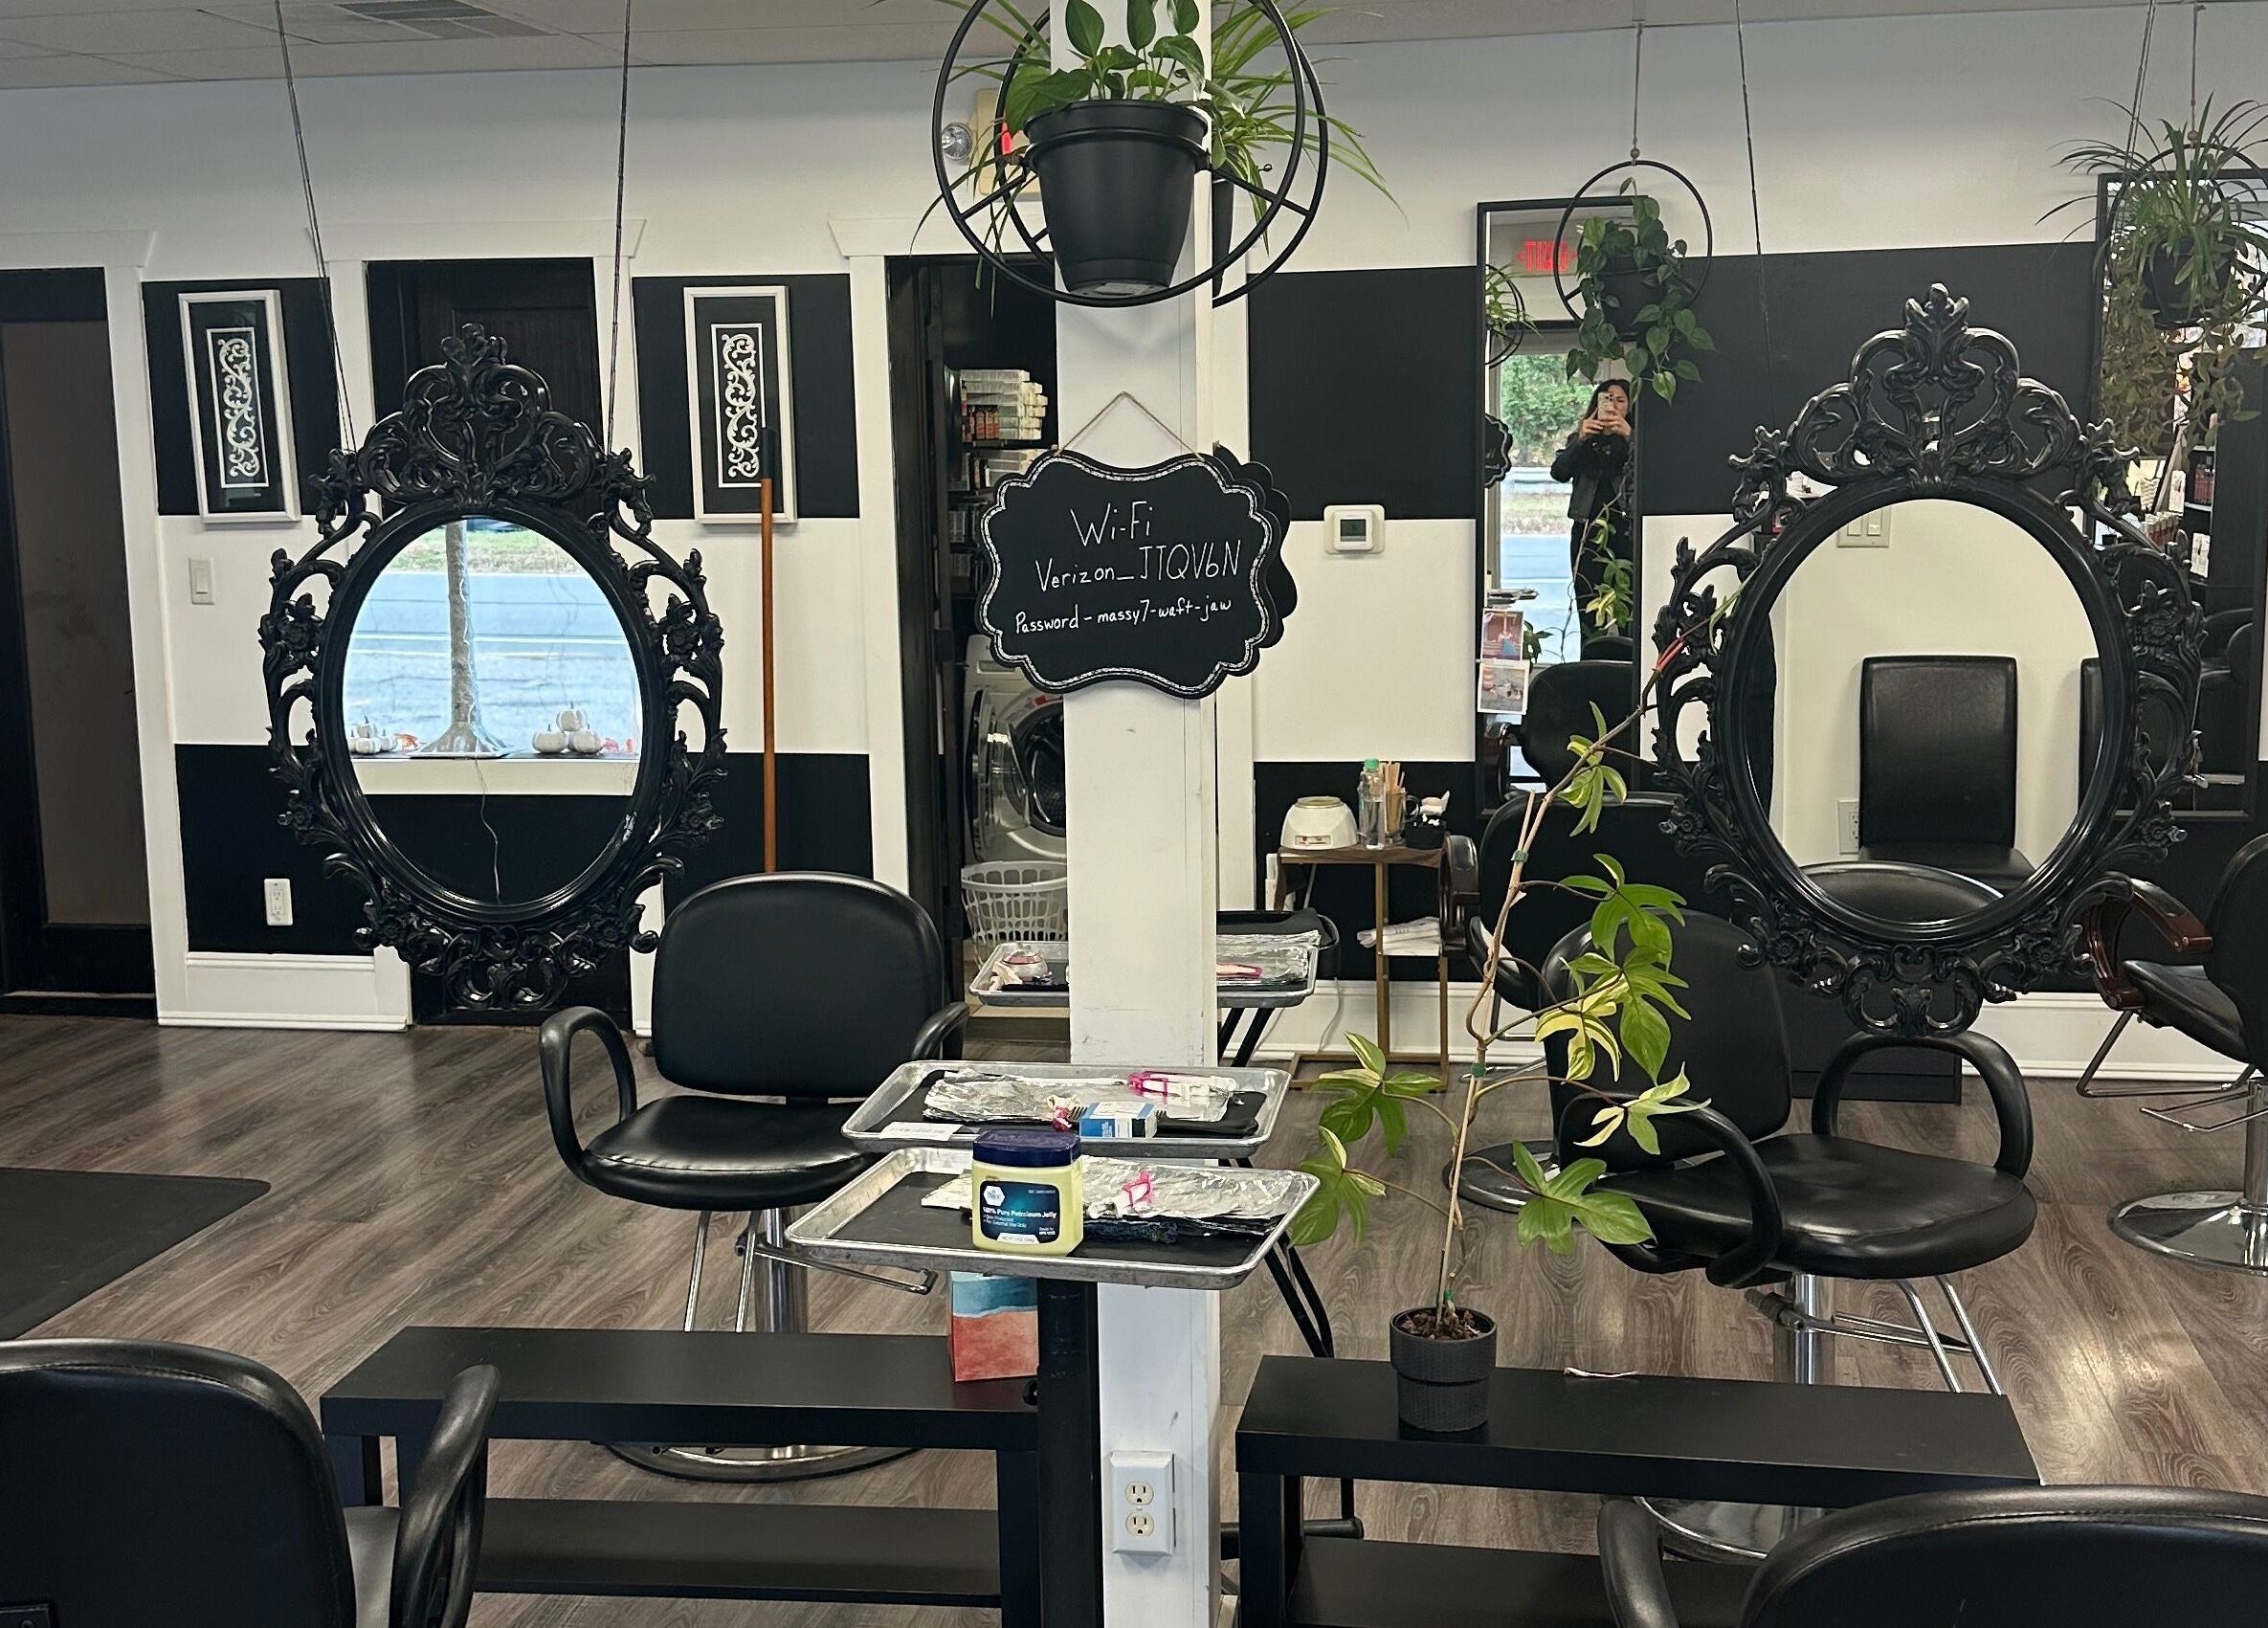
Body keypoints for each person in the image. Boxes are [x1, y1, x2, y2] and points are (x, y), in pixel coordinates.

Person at [1549, 379, 1634, 656]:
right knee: (1588, 610)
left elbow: (1652, 472)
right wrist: (1581, 439)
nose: (1614, 406)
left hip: (1627, 534)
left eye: (1620, 400)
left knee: (1629, 612)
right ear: (1597, 404)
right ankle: (1589, 669)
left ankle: (1629, 673)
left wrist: (1630, 437)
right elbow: (1559, 472)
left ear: (1630, 406)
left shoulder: (1636, 441)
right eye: (1607, 399)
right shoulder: (1582, 440)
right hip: (1587, 534)